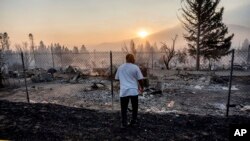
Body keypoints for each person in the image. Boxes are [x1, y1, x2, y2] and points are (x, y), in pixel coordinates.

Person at [115, 54, 144, 128]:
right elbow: (140, 79)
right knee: (135, 107)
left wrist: (124, 80)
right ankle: (133, 121)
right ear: (132, 59)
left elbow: (117, 78)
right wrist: (141, 88)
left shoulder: (120, 67)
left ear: (126, 59)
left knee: (124, 108)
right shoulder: (135, 67)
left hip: (124, 91)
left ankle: (124, 123)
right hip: (133, 90)